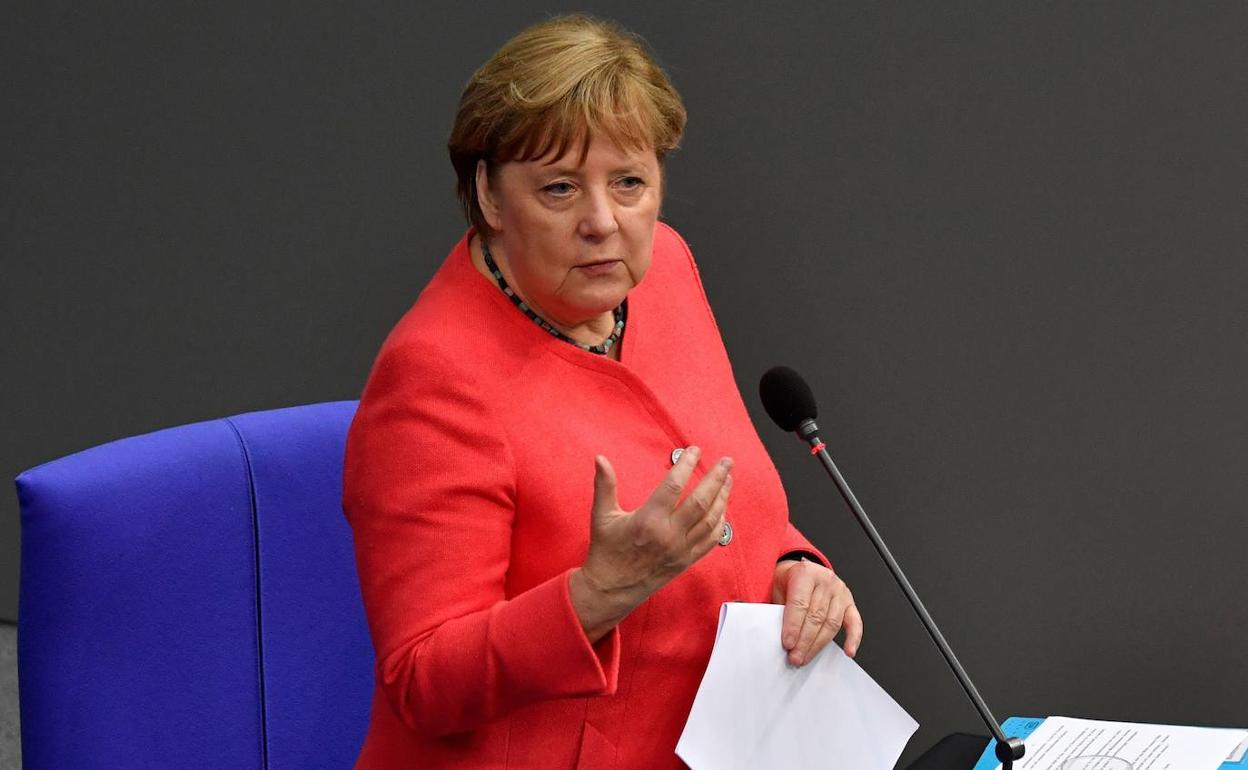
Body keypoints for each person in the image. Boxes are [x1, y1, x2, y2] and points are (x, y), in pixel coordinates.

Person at [342, 14, 863, 769]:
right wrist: (597, 594)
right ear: (489, 195)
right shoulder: (434, 381)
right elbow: (423, 680)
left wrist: (796, 568)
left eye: (630, 183)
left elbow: (733, 504)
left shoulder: (665, 274)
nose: (602, 222)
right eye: (558, 189)